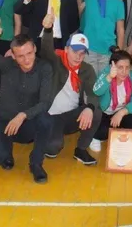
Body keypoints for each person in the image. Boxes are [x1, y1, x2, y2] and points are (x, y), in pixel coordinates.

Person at [0, 30, 53, 184]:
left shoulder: (44, 68)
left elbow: (45, 102)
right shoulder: (8, 65)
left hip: (27, 122)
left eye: (29, 53)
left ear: (35, 49)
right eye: (21, 56)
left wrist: (23, 115)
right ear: (13, 56)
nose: (26, 59)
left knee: (46, 119)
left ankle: (36, 163)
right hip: (5, 120)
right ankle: (7, 152)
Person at [40, 19, 101, 166]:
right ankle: (45, 135)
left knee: (96, 111)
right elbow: (46, 49)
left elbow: (93, 93)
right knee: (53, 148)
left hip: (71, 115)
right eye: (74, 51)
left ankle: (81, 149)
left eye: (82, 53)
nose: (78, 57)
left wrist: (89, 108)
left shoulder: (87, 69)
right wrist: (47, 30)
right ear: (66, 49)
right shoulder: (56, 60)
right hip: (51, 116)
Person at [90, 50, 132, 152]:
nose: (124, 71)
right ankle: (96, 138)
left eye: (127, 67)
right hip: (104, 112)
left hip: (121, 111)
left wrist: (122, 112)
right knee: (102, 132)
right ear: (112, 66)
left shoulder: (131, 75)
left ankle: (127, 136)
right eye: (120, 67)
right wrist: (109, 77)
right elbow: (96, 91)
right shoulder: (106, 73)